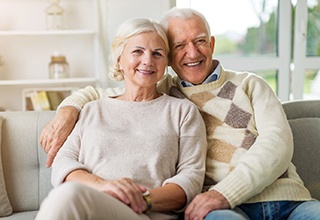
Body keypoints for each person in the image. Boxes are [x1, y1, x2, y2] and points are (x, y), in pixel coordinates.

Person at [40, 7, 320, 220]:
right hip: (225, 209)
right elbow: (114, 97)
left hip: (282, 199)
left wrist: (221, 194)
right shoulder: (159, 91)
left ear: (211, 44)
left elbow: (277, 143)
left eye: (199, 41)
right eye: (179, 46)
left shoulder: (248, 85)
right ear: (172, 57)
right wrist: (68, 109)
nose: (192, 52)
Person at [35, 17, 207, 220]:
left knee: (68, 196)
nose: (148, 61)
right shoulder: (92, 109)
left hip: (143, 213)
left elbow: (191, 178)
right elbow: (64, 162)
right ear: (119, 59)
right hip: (89, 203)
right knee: (68, 195)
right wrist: (105, 187)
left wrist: (140, 199)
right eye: (137, 51)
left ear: (166, 63)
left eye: (157, 54)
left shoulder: (183, 112)